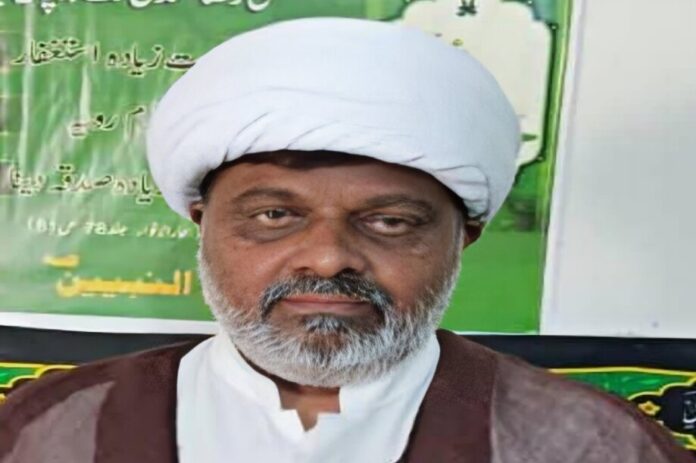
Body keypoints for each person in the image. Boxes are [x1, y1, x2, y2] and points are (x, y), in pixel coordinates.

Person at [0, 17, 692, 463]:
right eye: (275, 215)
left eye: (389, 222)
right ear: (202, 224)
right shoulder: (55, 425)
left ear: (464, 239)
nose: (329, 257)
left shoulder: (588, 443)